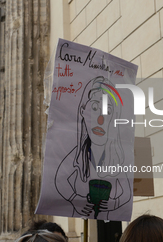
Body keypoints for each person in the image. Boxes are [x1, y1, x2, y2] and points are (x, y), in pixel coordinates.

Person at [54, 76, 132, 220]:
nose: (100, 120)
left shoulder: (116, 157)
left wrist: (115, 203)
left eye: (108, 112)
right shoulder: (78, 154)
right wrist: (74, 199)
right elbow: (59, 179)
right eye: (95, 108)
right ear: (83, 111)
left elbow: (126, 192)